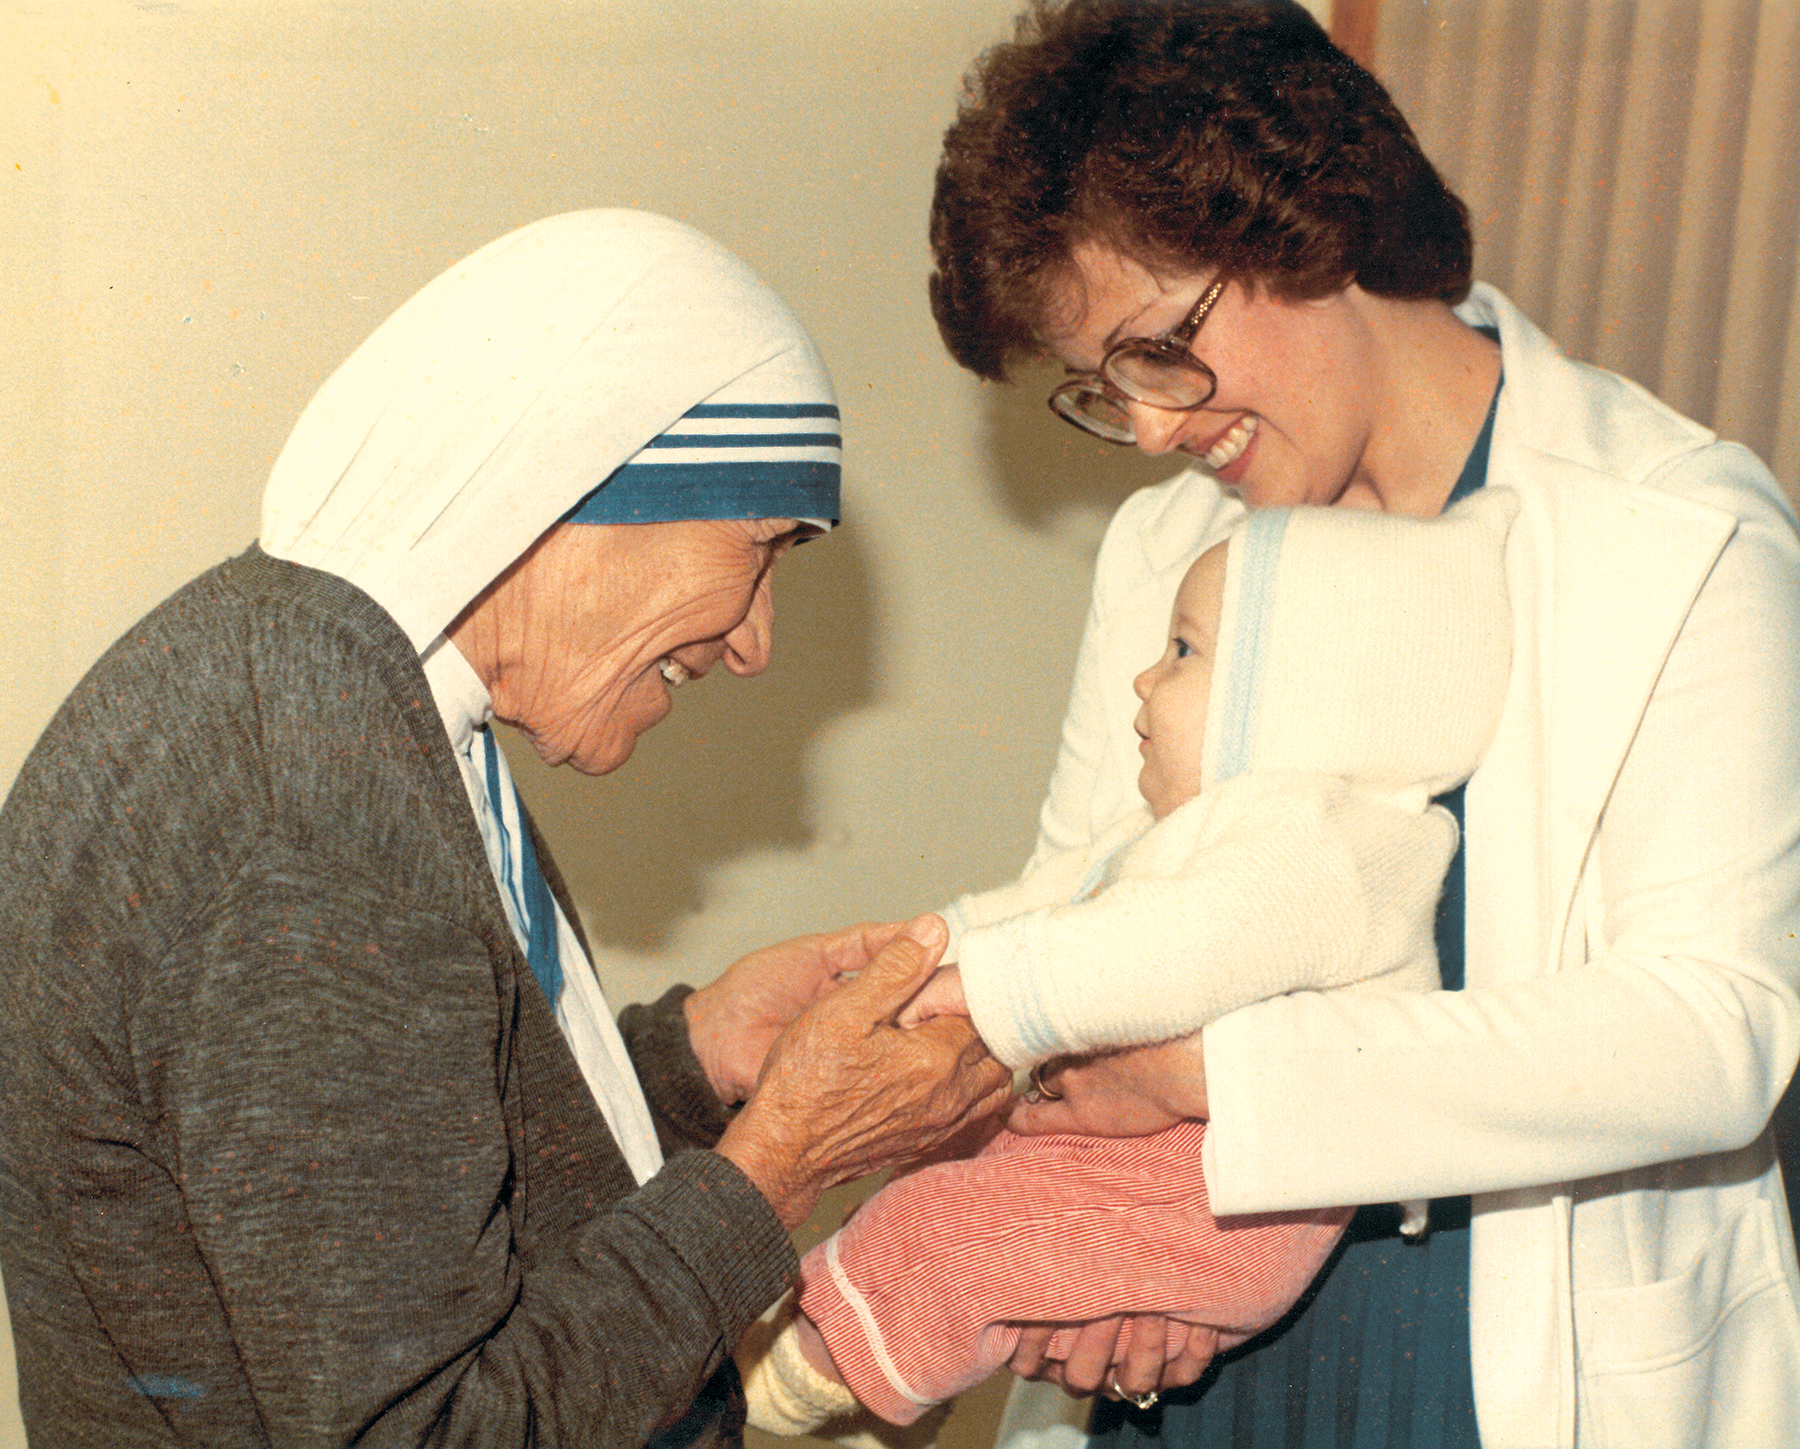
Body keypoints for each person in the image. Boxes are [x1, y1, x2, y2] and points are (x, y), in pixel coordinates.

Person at [925, 2, 1800, 1446]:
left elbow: (1718, 1030)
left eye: (1160, 352)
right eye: (1105, 386)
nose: (1148, 430)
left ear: (1308, 229)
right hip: (1196, 1357)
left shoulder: (1680, 536)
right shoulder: (1165, 552)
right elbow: (1086, 896)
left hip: (1503, 1370)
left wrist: (1216, 1086)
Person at [0, 209, 1013, 1447]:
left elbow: (380, 1193)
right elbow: (429, 1434)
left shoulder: (300, 678)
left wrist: (693, 1064)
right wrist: (777, 1168)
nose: (755, 641)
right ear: (578, 482)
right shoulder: (311, 818)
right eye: (758, 549)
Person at [738, 490, 1515, 1434]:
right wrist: (919, 949)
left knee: (950, 1234)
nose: (1146, 680)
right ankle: (876, 1372)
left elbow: (1167, 951)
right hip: (1138, 1157)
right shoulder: (1185, 828)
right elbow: (1054, 899)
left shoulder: (1331, 846)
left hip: (1214, 1190)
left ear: (1295, 700)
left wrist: (978, 993)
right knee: (925, 1147)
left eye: (1185, 652)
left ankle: (797, 1389)